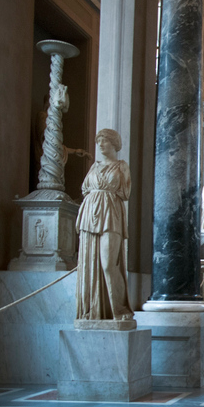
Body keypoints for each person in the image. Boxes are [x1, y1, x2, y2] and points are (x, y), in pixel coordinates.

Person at [75, 128, 133, 321]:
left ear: (114, 144)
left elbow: (125, 193)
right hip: (90, 214)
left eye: (105, 141)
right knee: (90, 262)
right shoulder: (94, 167)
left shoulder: (121, 166)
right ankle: (94, 311)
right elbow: (85, 190)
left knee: (108, 264)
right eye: (98, 141)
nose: (100, 144)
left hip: (111, 214)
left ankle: (120, 309)